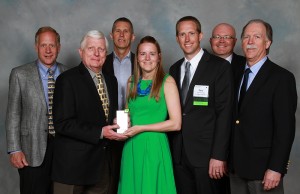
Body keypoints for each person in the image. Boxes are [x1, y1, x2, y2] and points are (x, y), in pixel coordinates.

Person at [52, 30, 127, 194]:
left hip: (102, 166)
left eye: (101, 49)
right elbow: (62, 123)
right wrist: (100, 132)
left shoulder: (111, 80)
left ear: (106, 54)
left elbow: (105, 116)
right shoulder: (67, 80)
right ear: (81, 52)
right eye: (91, 48)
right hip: (72, 167)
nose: (96, 53)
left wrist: (115, 124)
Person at [229, 19, 297, 194]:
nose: (250, 42)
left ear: (267, 43)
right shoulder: (234, 75)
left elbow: (285, 129)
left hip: (264, 170)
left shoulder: (282, 78)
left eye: (257, 37)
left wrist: (276, 168)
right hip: (235, 169)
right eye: (246, 37)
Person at [169, 16, 234, 194]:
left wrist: (219, 156)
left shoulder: (219, 67)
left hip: (207, 157)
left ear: (200, 36)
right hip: (179, 154)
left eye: (191, 33)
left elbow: (225, 114)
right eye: (182, 34)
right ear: (177, 39)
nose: (187, 39)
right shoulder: (174, 69)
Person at [5, 26, 67, 194]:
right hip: (31, 150)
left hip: (62, 150)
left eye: (52, 45)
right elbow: (13, 115)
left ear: (59, 47)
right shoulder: (20, 74)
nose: (48, 50)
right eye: (43, 45)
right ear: (36, 47)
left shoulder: (67, 74)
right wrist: (15, 149)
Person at [118, 36, 181, 194]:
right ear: (137, 57)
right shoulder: (131, 82)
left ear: (159, 57)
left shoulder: (167, 82)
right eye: (142, 54)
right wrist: (120, 120)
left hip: (154, 145)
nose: (147, 58)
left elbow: (175, 123)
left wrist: (142, 128)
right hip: (132, 146)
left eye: (152, 54)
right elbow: (127, 112)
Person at [103, 17, 136, 110]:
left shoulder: (141, 63)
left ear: (132, 37)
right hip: (109, 121)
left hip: (136, 120)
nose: (121, 35)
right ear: (111, 35)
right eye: (118, 31)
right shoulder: (101, 63)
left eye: (126, 31)